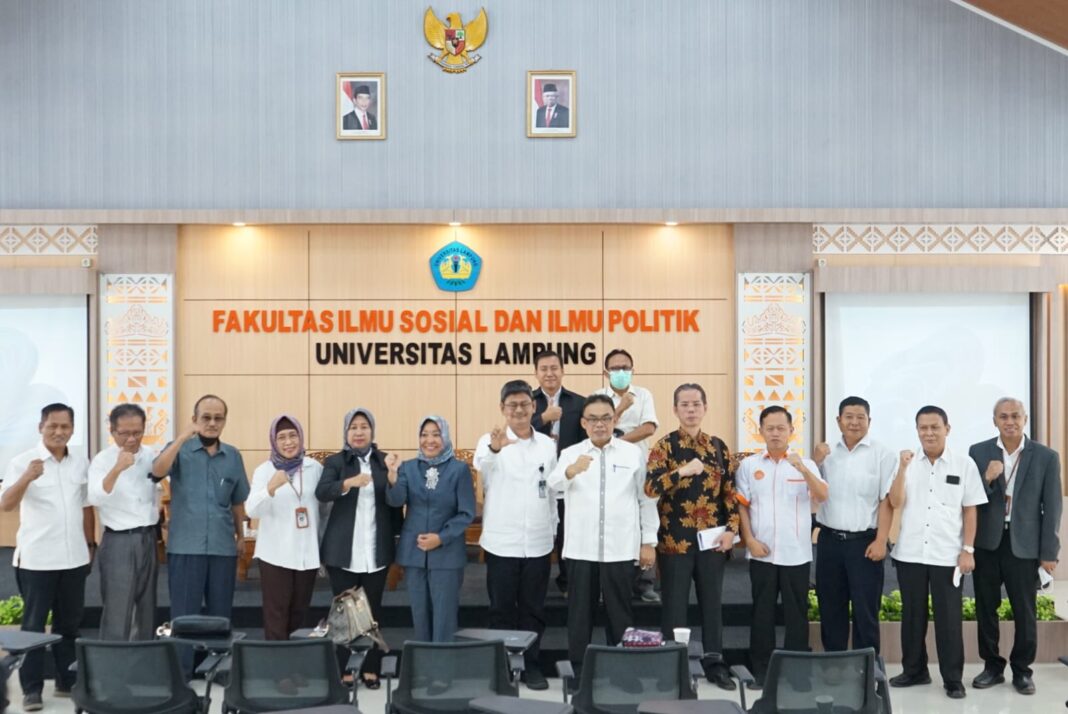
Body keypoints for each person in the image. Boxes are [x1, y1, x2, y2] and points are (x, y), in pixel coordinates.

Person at [547, 395, 657, 679]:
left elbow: (646, 498)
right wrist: (571, 471)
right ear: (583, 423)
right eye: (593, 419)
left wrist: (648, 541)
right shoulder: (570, 454)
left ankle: (622, 673)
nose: (599, 424)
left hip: (620, 548)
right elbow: (552, 485)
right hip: (581, 548)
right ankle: (579, 674)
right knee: (579, 616)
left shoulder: (631, 454)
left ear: (614, 420)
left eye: (606, 418)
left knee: (620, 615)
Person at [888, 405, 986, 700]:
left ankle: (953, 679)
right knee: (912, 617)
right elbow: (894, 501)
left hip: (947, 555)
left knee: (949, 620)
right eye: (923, 428)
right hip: (910, 553)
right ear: (916, 430)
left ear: (947, 429)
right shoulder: (906, 463)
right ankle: (914, 670)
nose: (929, 433)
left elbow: (970, 510)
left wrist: (968, 549)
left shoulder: (964, 464)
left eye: (935, 427)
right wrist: (902, 468)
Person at [0, 403, 94, 711]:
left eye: (65, 426)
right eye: (52, 426)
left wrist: (90, 544)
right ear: (41, 427)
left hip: (74, 558)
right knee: (33, 627)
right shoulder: (22, 461)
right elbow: (6, 504)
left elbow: (86, 506)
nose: (58, 431)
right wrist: (27, 477)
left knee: (70, 625)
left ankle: (68, 682)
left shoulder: (80, 462)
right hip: (37, 560)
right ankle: (32, 689)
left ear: (72, 429)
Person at [645, 383, 739, 690]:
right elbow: (650, 488)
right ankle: (673, 665)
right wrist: (681, 472)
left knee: (712, 605)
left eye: (696, 404)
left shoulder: (718, 447)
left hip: (713, 541)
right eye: (684, 404)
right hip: (675, 541)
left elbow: (730, 494)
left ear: (705, 407)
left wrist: (732, 530)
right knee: (674, 606)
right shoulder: (664, 446)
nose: (690, 409)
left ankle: (715, 663)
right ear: (675, 409)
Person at [968, 397, 1061, 695]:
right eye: (1003, 416)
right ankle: (992, 667)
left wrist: (1049, 552)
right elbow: (969, 498)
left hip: (1024, 545)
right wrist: (987, 478)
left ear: (1025, 419)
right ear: (994, 420)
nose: (1010, 421)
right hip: (987, 543)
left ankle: (1022, 670)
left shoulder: (1046, 456)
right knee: (986, 608)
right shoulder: (978, 452)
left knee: (1024, 611)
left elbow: (1053, 508)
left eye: (1015, 416)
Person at [151, 394, 249, 673]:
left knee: (221, 613)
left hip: (222, 546)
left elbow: (237, 502)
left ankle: (216, 669)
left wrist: (241, 537)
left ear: (225, 421)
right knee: (184, 613)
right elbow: (156, 471)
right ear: (194, 420)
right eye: (206, 417)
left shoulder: (233, 456)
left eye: (218, 418)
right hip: (186, 545)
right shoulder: (179, 449)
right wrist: (182, 437)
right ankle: (181, 671)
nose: (212, 423)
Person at [474, 380, 558, 690]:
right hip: (502, 542)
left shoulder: (547, 445)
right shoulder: (489, 441)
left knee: (534, 609)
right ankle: (503, 668)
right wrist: (496, 449)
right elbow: (483, 468)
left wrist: (553, 529)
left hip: (538, 541)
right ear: (502, 408)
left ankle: (531, 664)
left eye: (525, 404)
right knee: (501, 610)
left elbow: (551, 491)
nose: (519, 410)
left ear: (534, 406)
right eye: (512, 405)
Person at [735, 405, 827, 687]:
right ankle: (761, 671)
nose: (775, 433)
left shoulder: (805, 464)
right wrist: (749, 540)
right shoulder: (749, 465)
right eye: (770, 428)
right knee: (761, 613)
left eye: (781, 428)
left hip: (796, 554)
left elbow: (822, 496)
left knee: (796, 614)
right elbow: (742, 507)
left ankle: (796, 673)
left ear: (791, 431)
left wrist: (804, 469)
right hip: (762, 552)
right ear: (760, 431)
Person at [317, 408, 403, 689]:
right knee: (344, 612)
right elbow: (322, 491)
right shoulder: (335, 462)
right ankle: (345, 667)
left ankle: (370, 667)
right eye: (353, 427)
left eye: (364, 426)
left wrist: (393, 475)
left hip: (376, 550)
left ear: (372, 431)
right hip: (343, 551)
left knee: (372, 611)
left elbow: (395, 501)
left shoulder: (384, 460)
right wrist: (348, 483)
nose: (358, 432)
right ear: (346, 432)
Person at [812, 396, 895, 654]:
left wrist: (881, 540)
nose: (854, 422)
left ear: (869, 421)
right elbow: (811, 492)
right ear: (839, 420)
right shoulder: (826, 454)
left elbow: (886, 501)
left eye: (861, 417)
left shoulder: (883, 454)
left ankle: (867, 668)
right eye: (849, 417)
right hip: (829, 541)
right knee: (830, 608)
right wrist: (815, 462)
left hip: (865, 543)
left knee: (865, 610)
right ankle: (833, 666)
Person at [386, 416, 475, 642]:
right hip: (414, 553)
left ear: (445, 437)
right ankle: (422, 664)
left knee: (444, 618)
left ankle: (442, 665)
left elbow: (466, 513)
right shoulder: (408, 468)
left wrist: (441, 538)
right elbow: (396, 501)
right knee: (420, 618)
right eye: (424, 435)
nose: (430, 440)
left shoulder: (459, 470)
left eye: (436, 434)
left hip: (447, 554)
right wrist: (393, 476)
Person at [246, 415, 323, 644]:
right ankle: (277, 664)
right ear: (273, 441)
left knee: (299, 612)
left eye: (292, 435)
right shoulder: (264, 470)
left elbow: (326, 503)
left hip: (306, 553)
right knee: (276, 615)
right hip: (275, 554)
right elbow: (252, 510)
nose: (288, 442)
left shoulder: (314, 468)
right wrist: (270, 488)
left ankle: (293, 660)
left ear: (301, 437)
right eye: (281, 437)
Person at [88, 403, 160, 642]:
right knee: (118, 608)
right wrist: (117, 468)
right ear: (112, 431)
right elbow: (95, 497)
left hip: (148, 537)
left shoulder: (151, 456)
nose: (131, 439)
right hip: (119, 539)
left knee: (147, 606)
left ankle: (143, 659)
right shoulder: (103, 459)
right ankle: (113, 662)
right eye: (124, 433)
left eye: (137, 432)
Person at [595, 348, 661, 602]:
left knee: (644, 516)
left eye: (625, 367)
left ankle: (645, 582)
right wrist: (619, 409)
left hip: (638, 463)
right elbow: (598, 428)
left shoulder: (643, 394)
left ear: (633, 370)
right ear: (606, 372)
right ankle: (608, 584)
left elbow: (649, 428)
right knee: (611, 520)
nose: (620, 372)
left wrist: (619, 441)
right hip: (606, 465)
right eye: (615, 368)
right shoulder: (597, 397)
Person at [530, 349, 585, 595]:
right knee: (538, 531)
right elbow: (517, 430)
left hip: (567, 478)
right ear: (536, 373)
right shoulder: (528, 402)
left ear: (563, 371)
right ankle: (536, 587)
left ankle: (567, 583)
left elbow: (586, 440)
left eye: (554, 368)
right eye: (544, 369)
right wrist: (543, 418)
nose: (549, 373)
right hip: (535, 479)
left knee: (567, 532)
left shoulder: (579, 402)